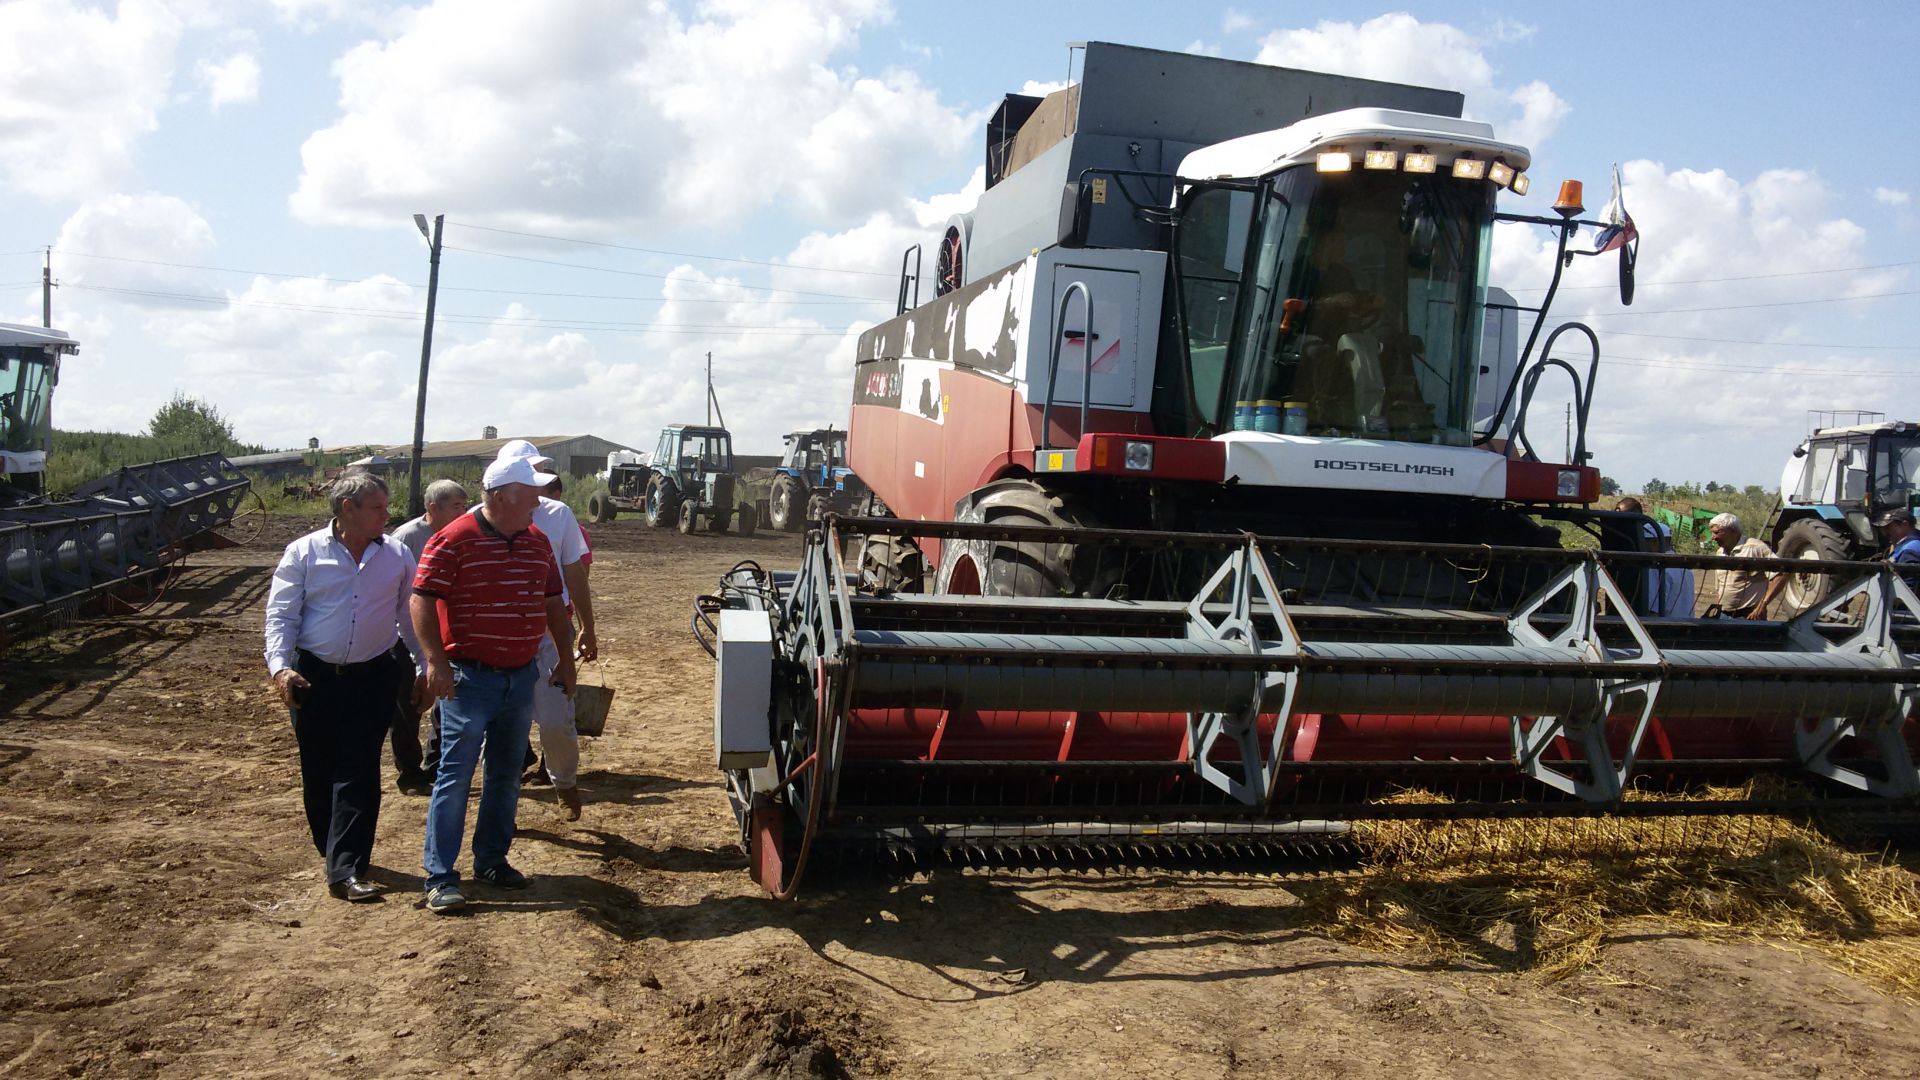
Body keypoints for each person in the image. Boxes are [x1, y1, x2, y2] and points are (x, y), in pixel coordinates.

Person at [410, 456, 577, 914]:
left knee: (505, 775)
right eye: (531, 495)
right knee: (456, 776)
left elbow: (552, 604)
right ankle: (440, 875)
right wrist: (434, 662)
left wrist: (566, 658)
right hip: (470, 678)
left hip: (520, 676)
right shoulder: (453, 539)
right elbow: (422, 600)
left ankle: (491, 860)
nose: (539, 503)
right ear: (502, 497)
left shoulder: (537, 541)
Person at [263, 474, 425, 903]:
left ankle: (347, 867)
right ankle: (333, 848)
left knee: (359, 770)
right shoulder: (304, 553)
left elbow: (408, 618)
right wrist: (280, 670)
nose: (387, 515)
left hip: (373, 676)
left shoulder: (397, 555)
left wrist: (426, 665)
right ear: (347, 508)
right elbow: (281, 616)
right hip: (312, 677)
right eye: (377, 507)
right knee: (318, 770)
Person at [493, 440, 598, 821]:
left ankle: (564, 781)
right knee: (501, 726)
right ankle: (501, 807)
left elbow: (574, 571)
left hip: (551, 630)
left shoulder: (558, 515)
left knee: (556, 718)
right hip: (498, 635)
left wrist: (587, 626)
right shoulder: (478, 521)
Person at [387, 479, 470, 795]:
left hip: (446, 631)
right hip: (406, 634)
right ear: (432, 508)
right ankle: (409, 770)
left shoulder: (463, 535)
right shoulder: (406, 538)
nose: (462, 512)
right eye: (456, 506)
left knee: (447, 699)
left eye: (464, 506)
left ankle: (436, 765)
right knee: (408, 703)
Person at [1704, 512, 1786, 620]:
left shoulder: (1755, 548)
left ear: (1732, 530)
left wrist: (1762, 605)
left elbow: (1780, 575)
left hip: (1749, 616)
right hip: (1723, 614)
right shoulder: (1720, 552)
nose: (1713, 537)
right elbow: (1720, 586)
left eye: (1716, 533)